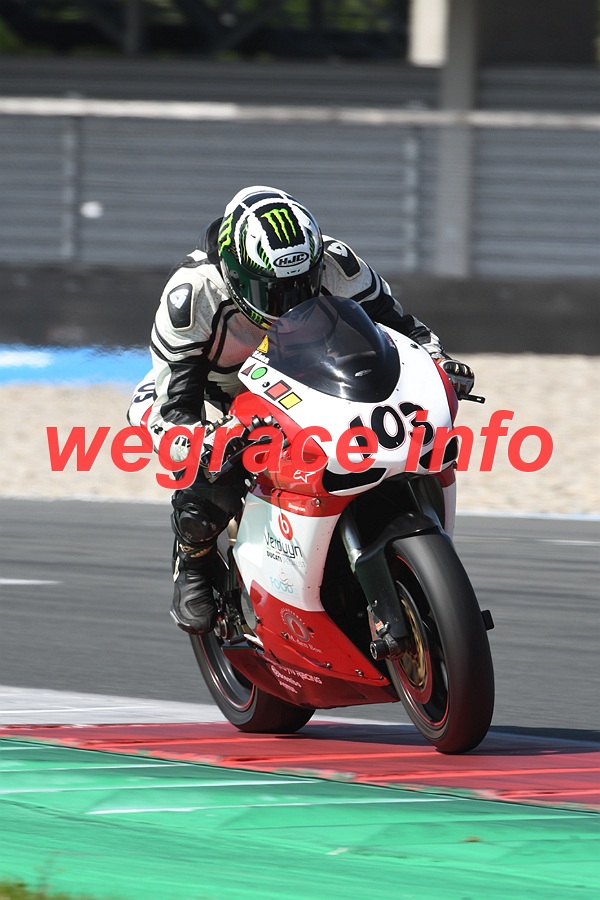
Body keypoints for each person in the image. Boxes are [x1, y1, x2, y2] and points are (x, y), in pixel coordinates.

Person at [141, 185, 474, 635]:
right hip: (222, 394)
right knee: (213, 471)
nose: (290, 302)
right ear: (236, 274)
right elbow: (173, 410)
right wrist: (202, 442)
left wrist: (439, 361)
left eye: (301, 286)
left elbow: (405, 330)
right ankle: (193, 561)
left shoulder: (337, 263)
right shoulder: (191, 297)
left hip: (315, 374)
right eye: (273, 292)